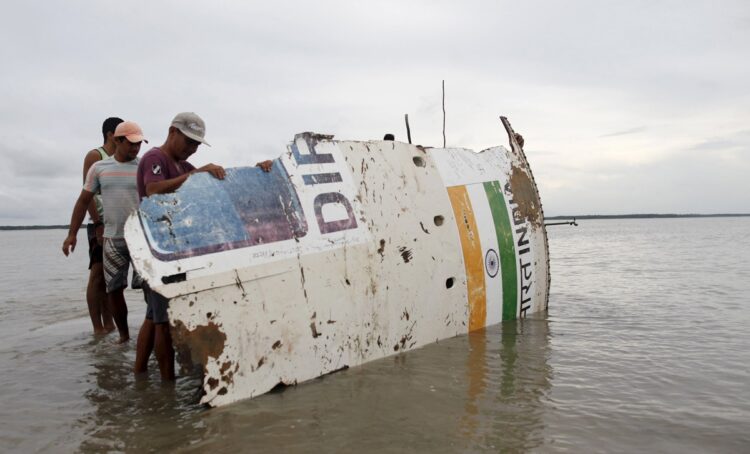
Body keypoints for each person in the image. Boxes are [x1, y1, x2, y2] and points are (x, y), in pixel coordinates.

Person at [134, 112, 272, 380]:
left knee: (155, 317)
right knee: (161, 321)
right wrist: (197, 173)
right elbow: (152, 190)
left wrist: (259, 172)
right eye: (189, 142)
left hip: (178, 251)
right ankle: (167, 385)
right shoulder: (156, 158)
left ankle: (141, 376)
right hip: (158, 252)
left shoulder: (185, 167)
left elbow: (217, 189)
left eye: (197, 145)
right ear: (172, 132)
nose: (192, 149)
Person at [62, 121, 147, 343]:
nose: (136, 149)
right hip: (113, 238)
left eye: (139, 144)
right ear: (117, 140)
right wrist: (72, 234)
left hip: (142, 240)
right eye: (131, 144)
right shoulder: (100, 168)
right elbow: (83, 202)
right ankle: (124, 336)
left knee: (150, 287)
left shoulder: (143, 167)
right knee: (114, 289)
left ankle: (153, 330)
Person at [81, 117, 122, 335]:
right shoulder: (96, 155)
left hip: (117, 225)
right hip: (99, 224)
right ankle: (97, 328)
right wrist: (97, 223)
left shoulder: (120, 159)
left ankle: (110, 324)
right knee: (97, 276)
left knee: (110, 278)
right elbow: (87, 193)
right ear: (110, 134)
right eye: (121, 134)